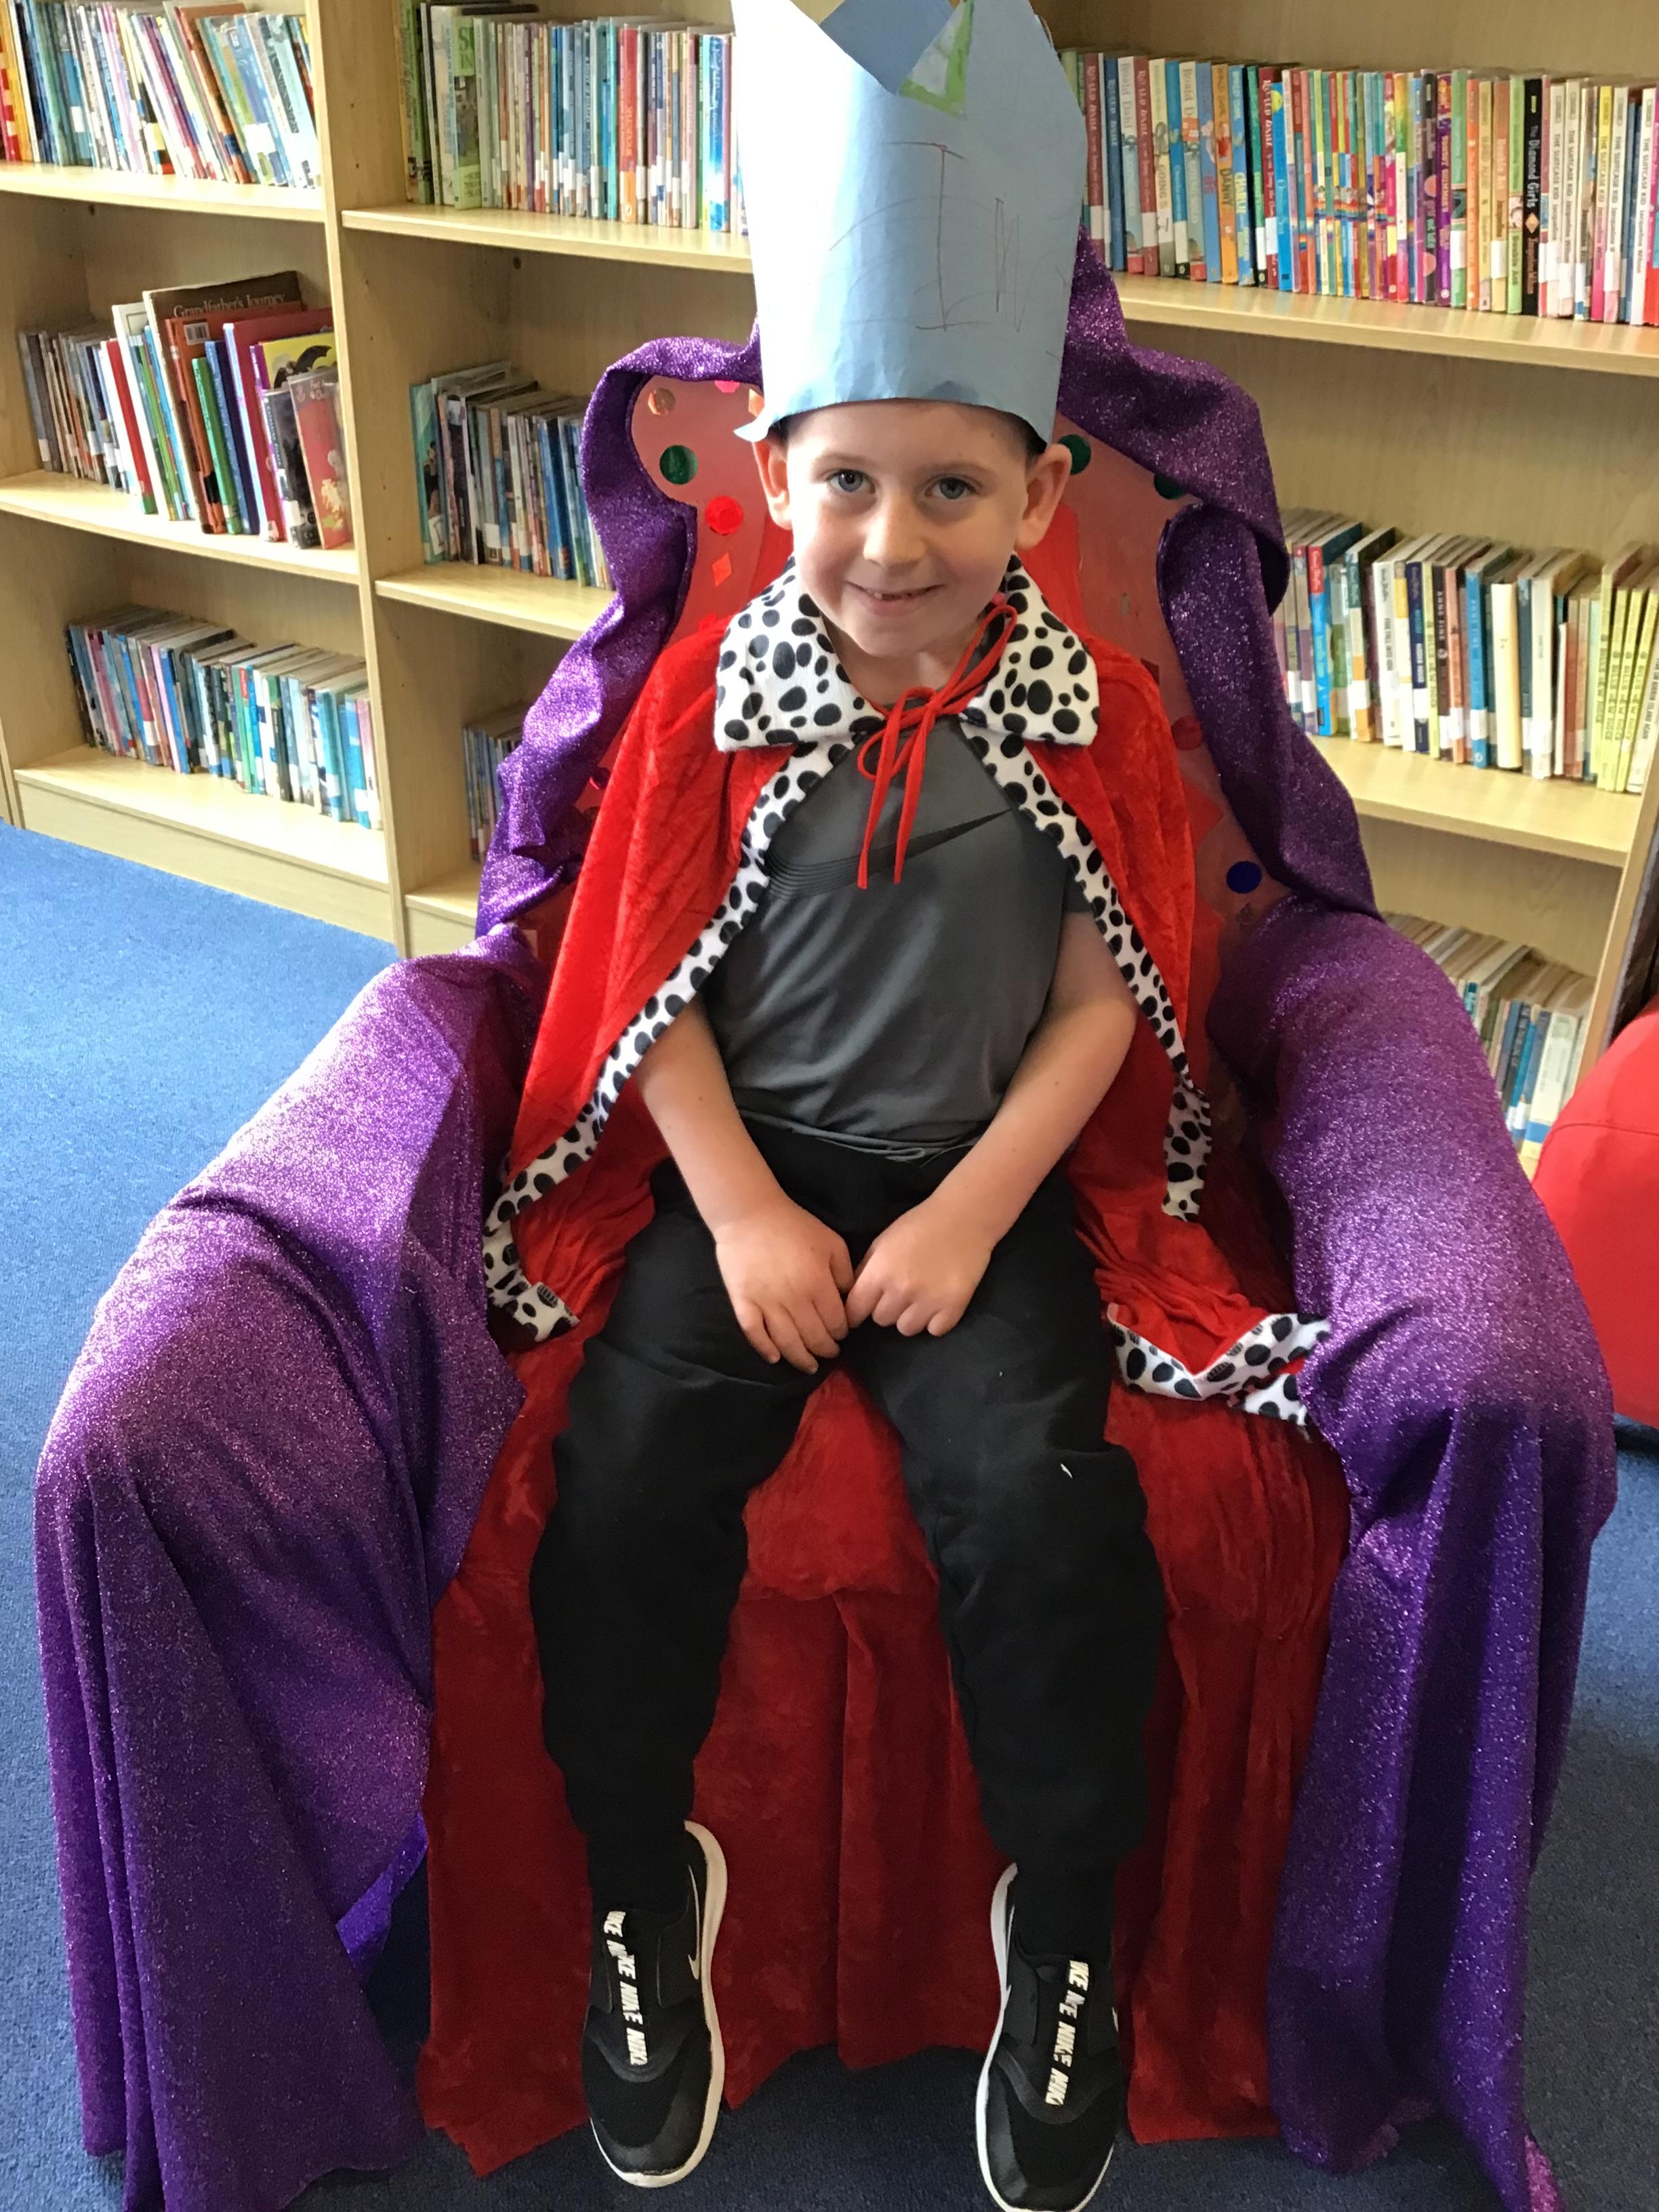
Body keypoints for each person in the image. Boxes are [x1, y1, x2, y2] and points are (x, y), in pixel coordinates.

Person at [478, 3, 1315, 2203]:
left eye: (952, 487)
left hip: (980, 1187)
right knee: (622, 1487)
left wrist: (965, 1215)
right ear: (774, 481)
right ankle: (643, 1882)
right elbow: (642, 987)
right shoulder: (709, 703)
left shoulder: (1088, 713)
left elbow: (1108, 1004)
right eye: (846, 481)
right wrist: (748, 1215)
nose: (892, 538)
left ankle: (1066, 1925)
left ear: (1039, 495)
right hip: (746, 1177)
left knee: (1047, 1513)